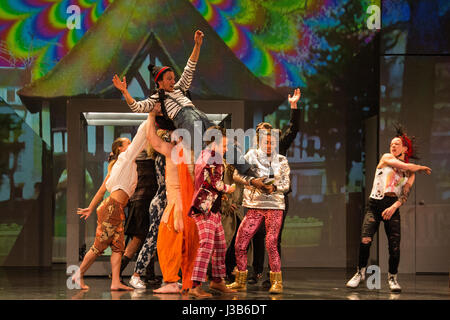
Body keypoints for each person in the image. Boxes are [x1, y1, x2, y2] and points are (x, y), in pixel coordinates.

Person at [112, 30, 254, 177]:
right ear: (159, 82)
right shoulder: (157, 98)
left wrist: (197, 45)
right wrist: (125, 92)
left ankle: (247, 170)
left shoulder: (180, 88)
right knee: (200, 145)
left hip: (198, 113)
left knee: (220, 139)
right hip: (184, 117)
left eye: (174, 78)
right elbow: (137, 107)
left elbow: (190, 67)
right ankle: (206, 176)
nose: (173, 81)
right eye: (169, 79)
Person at [346, 125, 432, 292]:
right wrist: (420, 167)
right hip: (374, 204)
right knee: (365, 239)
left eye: (397, 144)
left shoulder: (410, 174)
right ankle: (360, 272)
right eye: (391, 144)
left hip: (392, 206)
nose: (393, 146)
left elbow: (404, 194)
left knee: (394, 246)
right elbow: (407, 167)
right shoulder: (386, 158)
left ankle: (392, 277)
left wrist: (394, 207)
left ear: (405, 148)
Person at [73, 118, 150, 291]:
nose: (131, 145)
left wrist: (91, 208)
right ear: (120, 149)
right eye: (127, 143)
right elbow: (140, 137)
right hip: (111, 208)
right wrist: (150, 117)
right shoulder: (125, 158)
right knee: (100, 245)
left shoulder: (119, 166)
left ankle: (115, 282)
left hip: (116, 209)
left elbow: (101, 190)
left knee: (117, 247)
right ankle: (78, 274)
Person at [247, 88, 301, 286]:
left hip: (277, 198)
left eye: (267, 134)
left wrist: (293, 106)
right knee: (257, 234)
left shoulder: (280, 149)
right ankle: (257, 271)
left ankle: (273, 275)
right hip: (258, 198)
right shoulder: (252, 154)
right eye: (261, 134)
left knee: (273, 236)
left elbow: (293, 130)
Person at [227, 128, 290, 294]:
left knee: (271, 243)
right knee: (240, 242)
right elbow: (236, 175)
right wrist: (253, 182)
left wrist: (274, 187)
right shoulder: (250, 155)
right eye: (266, 142)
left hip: (274, 207)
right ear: (260, 142)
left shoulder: (282, 160)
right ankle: (240, 280)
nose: (269, 145)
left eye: (272, 142)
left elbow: (286, 185)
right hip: (254, 207)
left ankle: (276, 281)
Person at [146, 110, 199, 294]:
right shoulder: (193, 151)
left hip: (179, 205)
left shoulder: (176, 151)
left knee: (167, 243)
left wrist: (151, 115)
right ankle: (187, 281)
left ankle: (172, 282)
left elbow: (152, 139)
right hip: (188, 205)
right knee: (185, 245)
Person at [188, 126, 238, 298]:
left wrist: (220, 194)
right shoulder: (212, 156)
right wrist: (227, 189)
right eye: (224, 145)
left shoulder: (205, 154)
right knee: (207, 245)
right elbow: (211, 181)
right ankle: (195, 286)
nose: (225, 149)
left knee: (220, 246)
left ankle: (217, 281)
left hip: (211, 208)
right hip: (205, 209)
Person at [129, 127, 173, 289]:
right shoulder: (163, 158)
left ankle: (170, 277)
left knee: (166, 241)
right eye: (169, 140)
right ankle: (136, 274)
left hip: (166, 200)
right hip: (162, 201)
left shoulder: (164, 157)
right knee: (152, 239)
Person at [118, 144, 158, 279]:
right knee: (140, 238)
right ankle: (117, 271)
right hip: (144, 200)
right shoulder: (149, 163)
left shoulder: (134, 162)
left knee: (146, 237)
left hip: (138, 201)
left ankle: (149, 274)